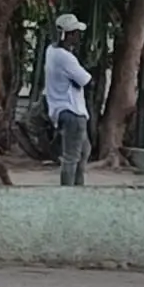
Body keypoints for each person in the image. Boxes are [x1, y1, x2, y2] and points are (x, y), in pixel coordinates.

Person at [45, 14, 93, 186]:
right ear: (69, 35)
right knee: (72, 157)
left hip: (61, 109)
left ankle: (78, 188)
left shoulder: (51, 51)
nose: (78, 36)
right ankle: (67, 193)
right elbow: (86, 80)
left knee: (84, 151)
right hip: (73, 111)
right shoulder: (66, 58)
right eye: (75, 33)